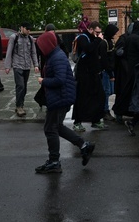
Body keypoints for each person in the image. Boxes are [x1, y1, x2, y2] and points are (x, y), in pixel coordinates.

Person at [35, 30, 95, 174]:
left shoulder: (57, 58)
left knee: (50, 129)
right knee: (57, 127)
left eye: (41, 46)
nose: (40, 49)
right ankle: (83, 145)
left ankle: (54, 161)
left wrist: (44, 81)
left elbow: (60, 80)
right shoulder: (54, 55)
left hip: (61, 98)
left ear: (47, 45)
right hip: (60, 97)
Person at [72, 21, 107, 131]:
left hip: (94, 73)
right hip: (84, 74)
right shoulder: (83, 37)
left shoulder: (94, 38)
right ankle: (77, 122)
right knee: (82, 98)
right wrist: (98, 40)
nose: (98, 34)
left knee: (99, 97)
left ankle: (95, 120)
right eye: (96, 32)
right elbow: (88, 48)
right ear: (90, 29)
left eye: (100, 33)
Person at [112, 21, 139, 122]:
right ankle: (136, 114)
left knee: (127, 91)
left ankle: (122, 111)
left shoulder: (128, 38)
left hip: (129, 69)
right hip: (134, 69)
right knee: (133, 92)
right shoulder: (136, 39)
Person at [4, 22, 39, 117]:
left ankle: (20, 104)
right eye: (27, 29)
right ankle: (19, 106)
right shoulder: (13, 38)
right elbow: (9, 52)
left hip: (27, 66)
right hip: (17, 65)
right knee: (20, 86)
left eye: (30, 29)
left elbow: (33, 53)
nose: (29, 31)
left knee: (24, 87)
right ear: (22, 28)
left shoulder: (30, 39)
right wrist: (7, 66)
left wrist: (36, 65)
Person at [99, 24, 120, 122]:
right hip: (106, 71)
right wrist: (110, 72)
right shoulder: (105, 43)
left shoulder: (110, 42)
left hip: (110, 70)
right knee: (106, 91)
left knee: (110, 91)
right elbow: (104, 60)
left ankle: (104, 109)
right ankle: (104, 111)